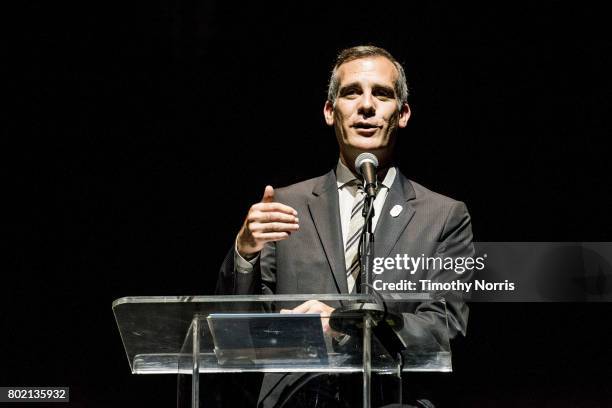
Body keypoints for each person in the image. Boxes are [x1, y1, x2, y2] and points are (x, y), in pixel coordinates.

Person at [216, 45, 474, 407]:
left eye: (381, 94)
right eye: (351, 92)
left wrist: (344, 324)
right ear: (329, 110)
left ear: (402, 114)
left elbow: (444, 329)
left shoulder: (443, 215)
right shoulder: (286, 205)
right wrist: (244, 255)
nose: (366, 105)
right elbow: (238, 334)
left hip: (394, 399)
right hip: (294, 398)